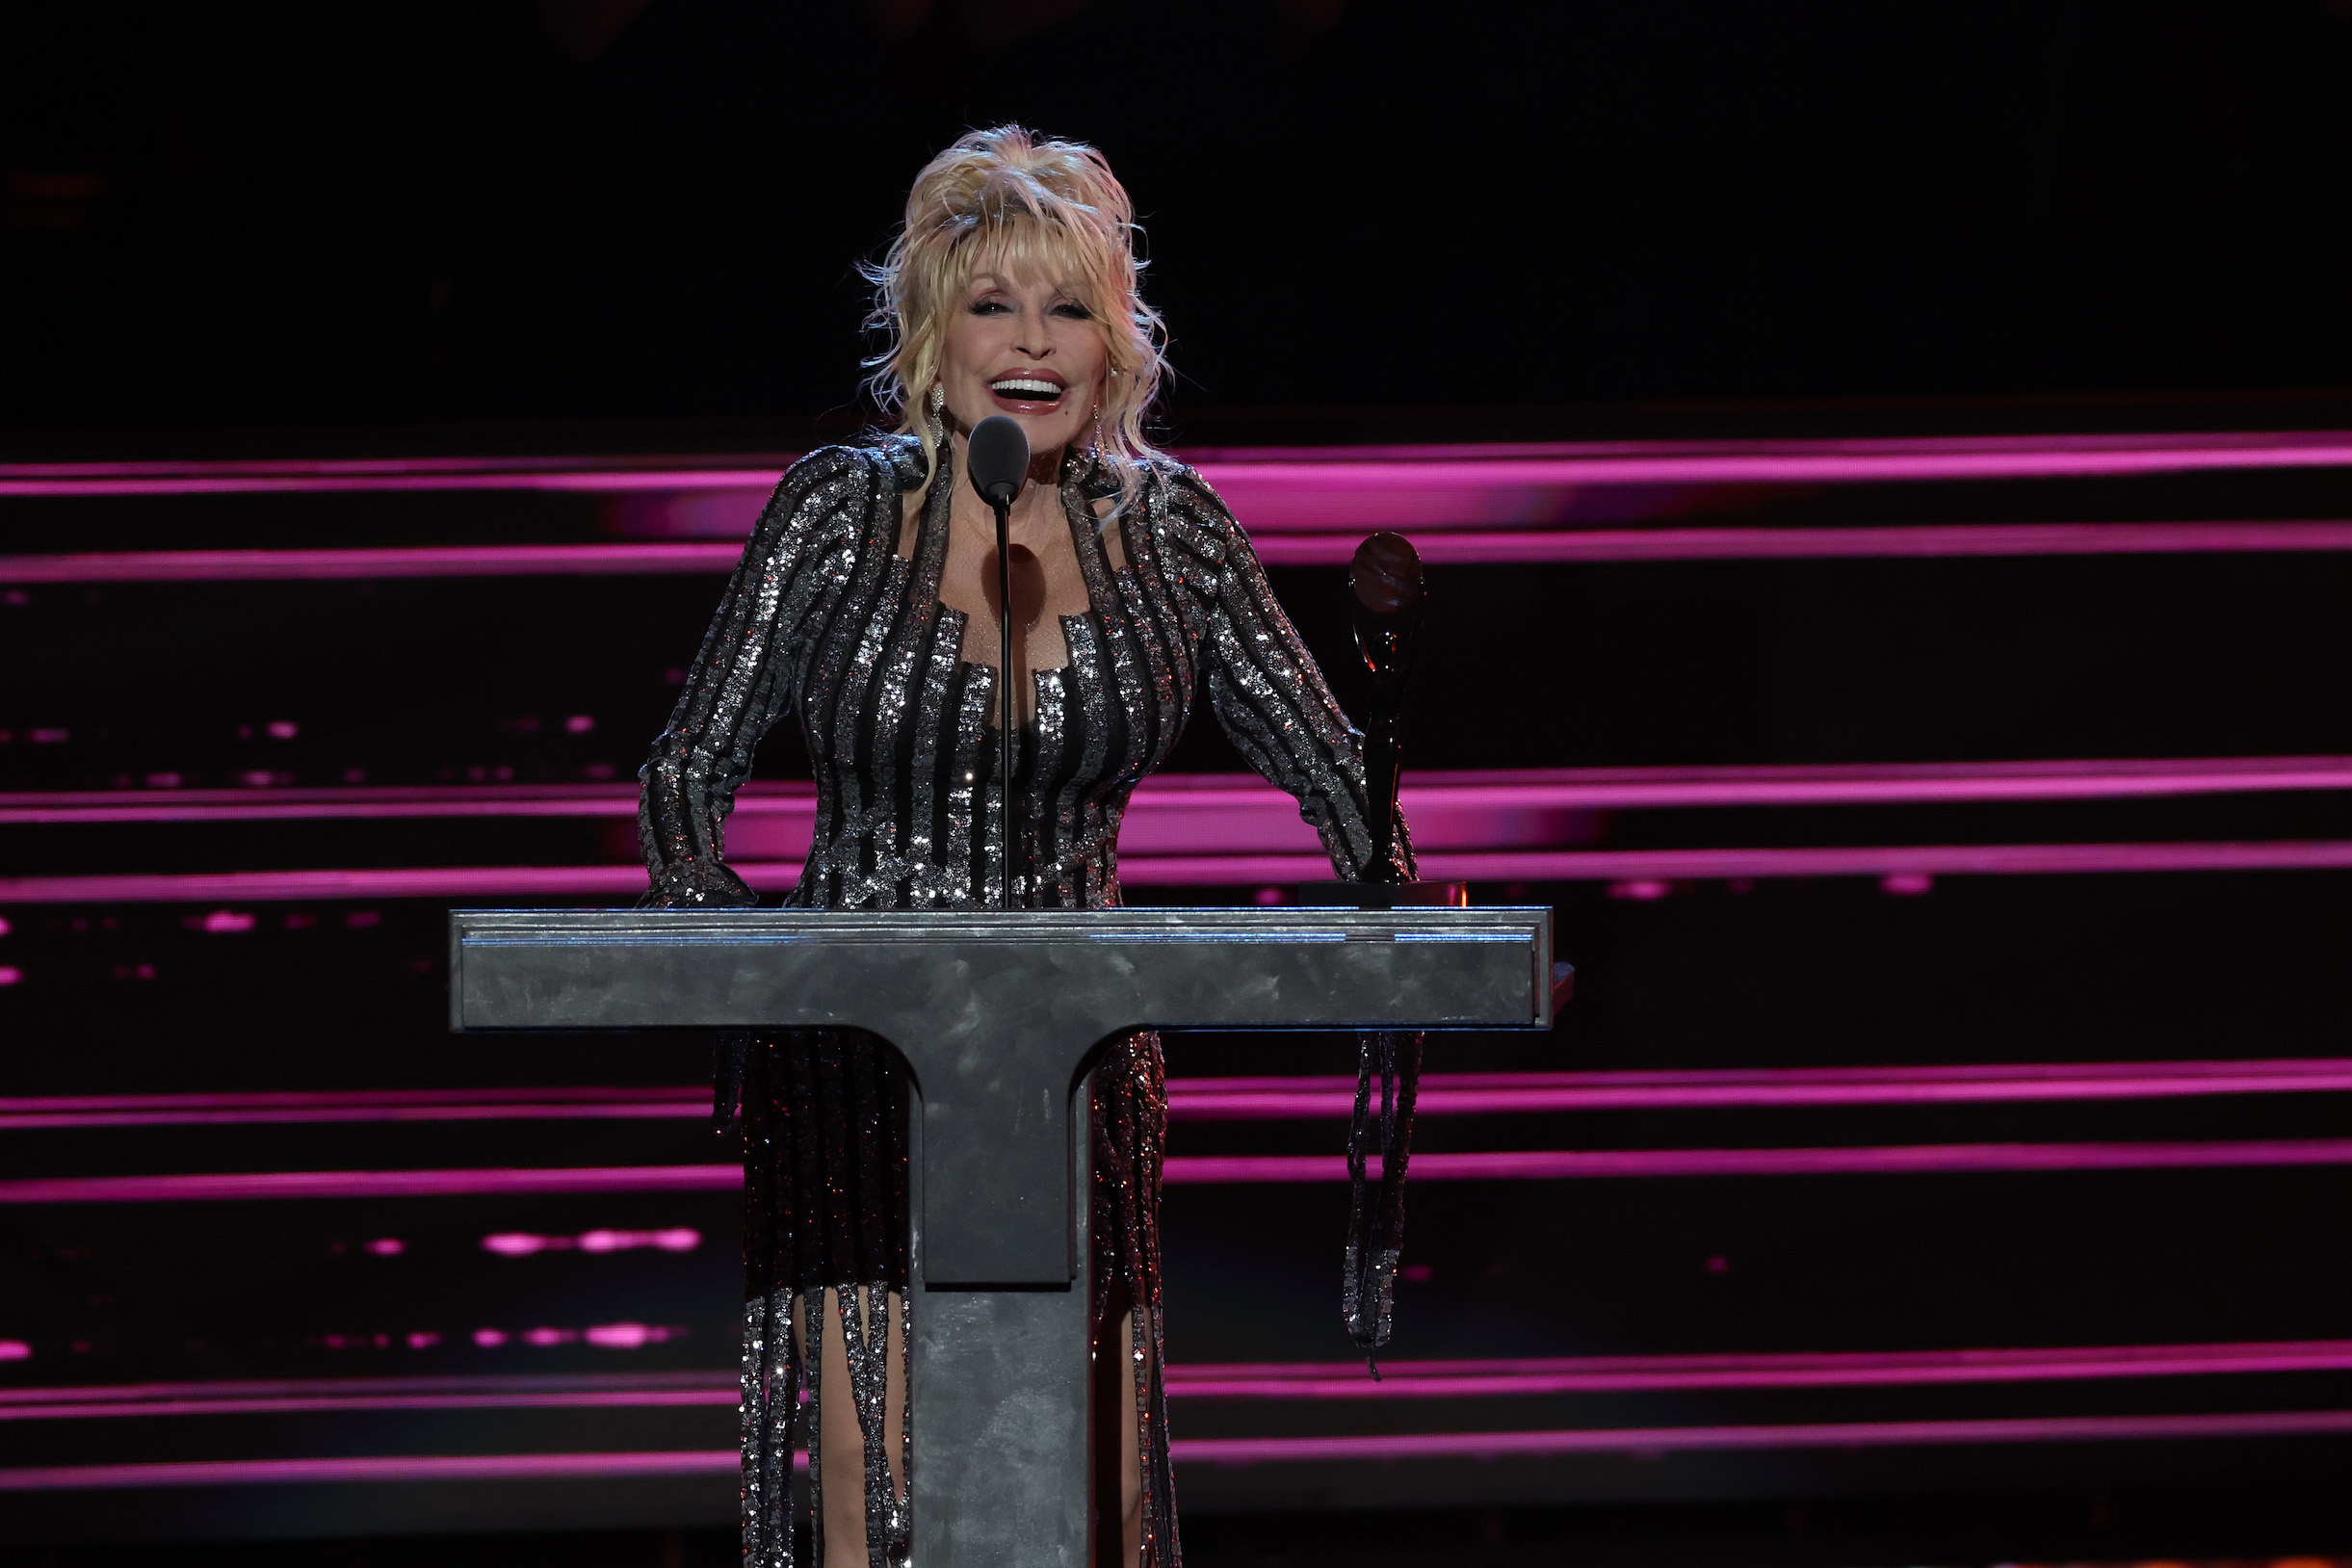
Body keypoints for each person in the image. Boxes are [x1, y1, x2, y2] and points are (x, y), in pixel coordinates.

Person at [637, 124, 1412, 1568]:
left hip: (1071, 1066)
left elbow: (1331, 767)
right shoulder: (836, 511)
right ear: (931, 336)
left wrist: (1397, 904)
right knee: (885, 1474)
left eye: (1067, 306)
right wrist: (720, 933)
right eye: (993, 303)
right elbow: (688, 768)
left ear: (1115, 343)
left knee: (1087, 1472)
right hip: (859, 1062)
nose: (1031, 341)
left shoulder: (1168, 531)